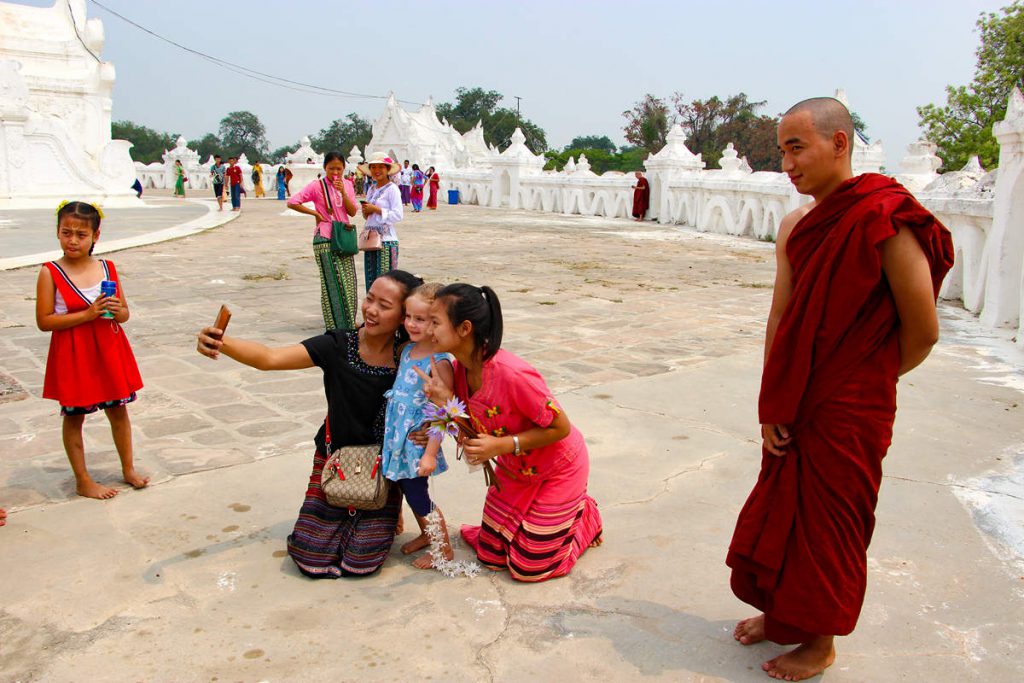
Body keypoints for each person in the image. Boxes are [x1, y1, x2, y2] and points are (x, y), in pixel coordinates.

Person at [727, 97, 954, 681]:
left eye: (797, 148)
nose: (788, 164)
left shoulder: (884, 216)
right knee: (784, 511)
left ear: (840, 143)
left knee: (831, 524)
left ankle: (820, 643)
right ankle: (783, 615)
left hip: (850, 405)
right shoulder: (796, 226)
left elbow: (923, 329)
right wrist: (772, 399)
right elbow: (780, 317)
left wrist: (857, 380)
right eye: (782, 151)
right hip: (795, 398)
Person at [196, 271, 425, 578]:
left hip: (381, 469)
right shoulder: (337, 344)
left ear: (402, 317)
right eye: (369, 298)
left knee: (362, 562)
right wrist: (223, 343)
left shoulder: (409, 359)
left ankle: (387, 509)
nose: (371, 309)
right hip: (334, 462)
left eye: (384, 305)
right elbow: (270, 358)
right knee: (310, 556)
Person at [416, 284, 603, 582]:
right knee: (490, 554)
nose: (427, 329)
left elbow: (560, 427)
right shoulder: (460, 371)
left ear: (464, 328)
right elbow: (472, 430)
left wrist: (502, 445)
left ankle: (586, 516)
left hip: (559, 467)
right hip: (516, 468)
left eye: (435, 322)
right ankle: (545, 523)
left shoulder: (512, 374)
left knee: (529, 567)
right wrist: (445, 403)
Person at [36, 201, 148, 500]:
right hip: (74, 353)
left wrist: (115, 309)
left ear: (96, 236)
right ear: (57, 232)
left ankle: (128, 468)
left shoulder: (107, 268)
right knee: (74, 416)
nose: (73, 240)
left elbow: (124, 314)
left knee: (118, 410)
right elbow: (44, 321)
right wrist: (86, 315)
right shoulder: (50, 272)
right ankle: (83, 480)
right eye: (66, 232)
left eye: (81, 234)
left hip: (109, 349)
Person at [381, 282, 455, 570]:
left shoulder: (439, 363)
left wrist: (430, 453)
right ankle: (427, 535)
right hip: (397, 440)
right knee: (407, 489)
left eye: (420, 319)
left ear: (437, 322)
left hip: (416, 445)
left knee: (418, 494)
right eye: (408, 316)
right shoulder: (408, 350)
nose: (411, 323)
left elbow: (444, 412)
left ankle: (444, 547)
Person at [288, 152, 360, 330]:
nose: (335, 172)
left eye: (339, 169)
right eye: (331, 168)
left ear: (344, 169)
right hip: (325, 238)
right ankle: (334, 323)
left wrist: (342, 191)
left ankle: (349, 321)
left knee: (349, 281)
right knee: (332, 281)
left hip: (344, 236)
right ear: (325, 168)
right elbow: (293, 202)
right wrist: (314, 213)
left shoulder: (348, 185)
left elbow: (352, 212)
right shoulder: (316, 186)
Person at [358, 152, 404, 292]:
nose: (377, 171)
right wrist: (367, 212)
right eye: (373, 167)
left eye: (380, 167)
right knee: (371, 282)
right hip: (371, 239)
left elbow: (398, 215)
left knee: (385, 284)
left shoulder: (392, 189)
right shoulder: (371, 189)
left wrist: (376, 209)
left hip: (386, 240)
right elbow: (369, 217)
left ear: (387, 169)